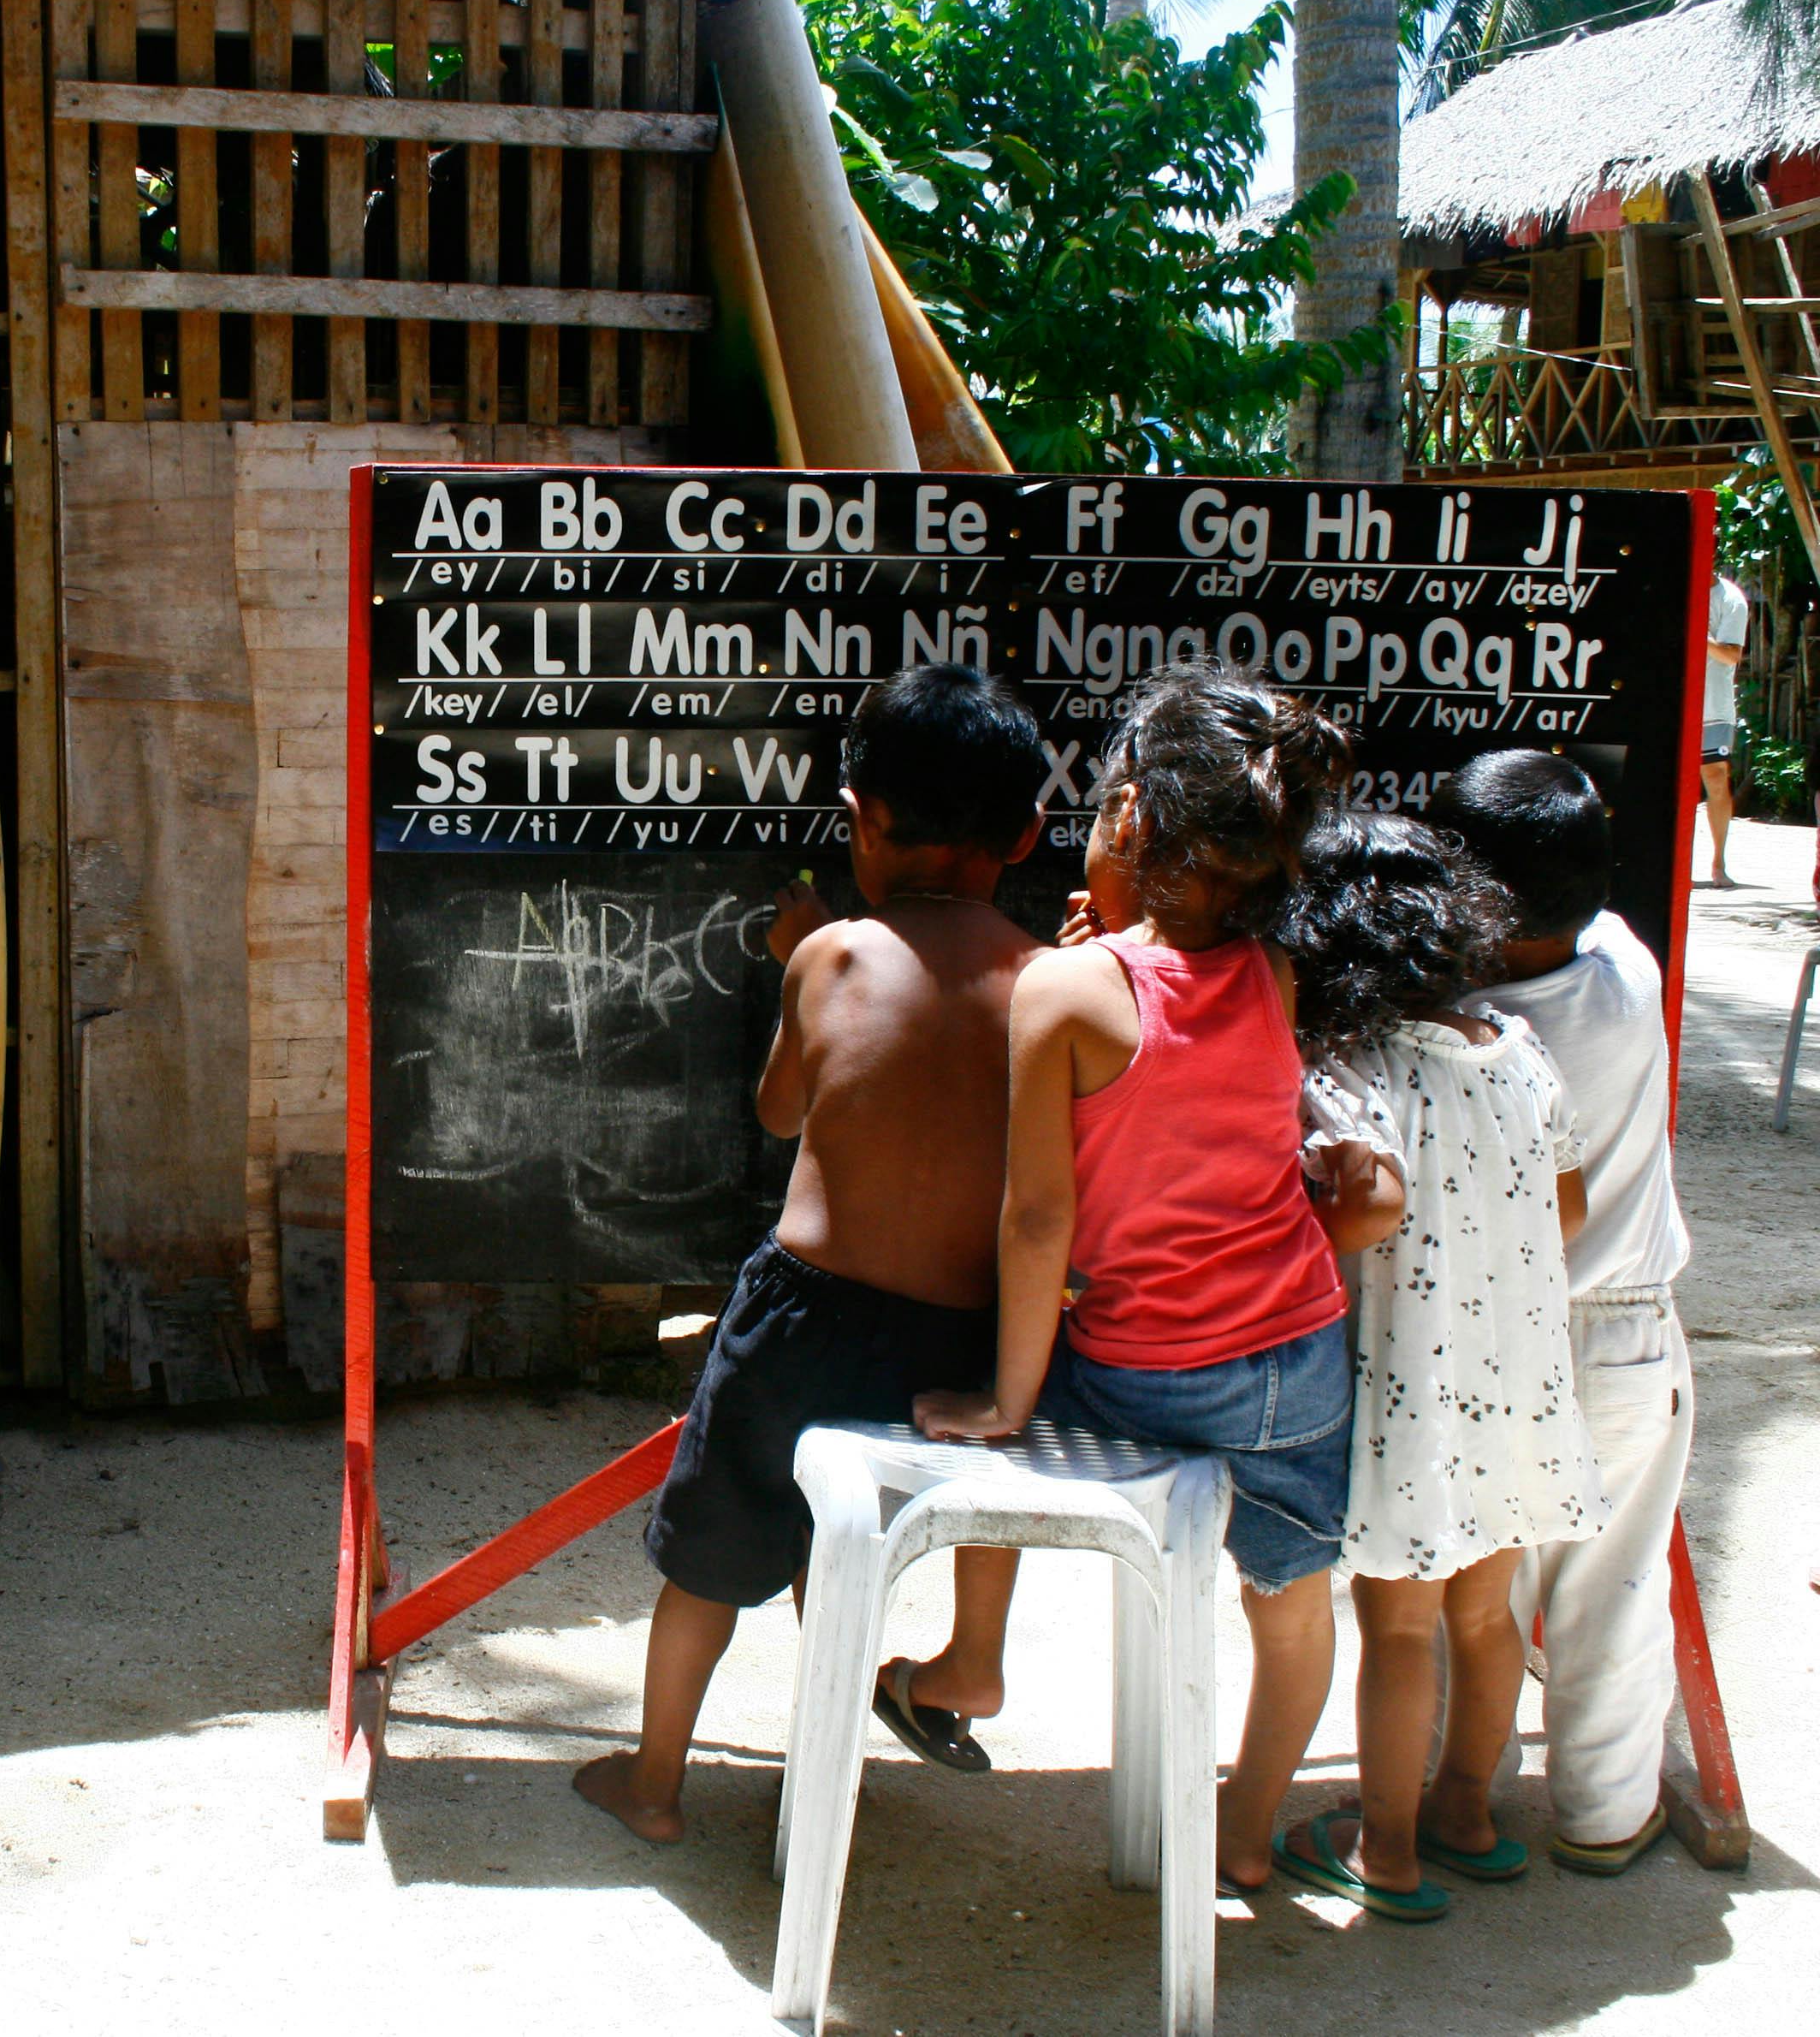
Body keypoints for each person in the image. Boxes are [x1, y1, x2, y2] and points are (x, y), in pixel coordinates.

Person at [572, 662, 1047, 1843]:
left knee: (710, 1560)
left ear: (862, 821)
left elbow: (783, 1113)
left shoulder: (832, 958)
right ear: (1030, 834)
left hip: (804, 1321)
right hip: (959, 1336)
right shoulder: (1051, 984)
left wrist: (803, 953)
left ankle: (656, 1786)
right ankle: (828, 1779)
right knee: (848, 1559)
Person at [909, 663, 1354, 1899]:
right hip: (1296, 1367)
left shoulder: (1064, 991)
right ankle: (1251, 1820)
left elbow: (1039, 1215)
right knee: (1293, 1592)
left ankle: (969, 1662)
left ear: (1133, 822)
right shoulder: (1276, 971)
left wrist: (1008, 1396)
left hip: (1141, 1372)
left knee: (1007, 1425)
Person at [1271, 812, 1598, 1921]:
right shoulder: (1521, 1049)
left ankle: (1388, 1848)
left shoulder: (1349, 1067)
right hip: (1517, 1384)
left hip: (1411, 1387)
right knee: (1485, 1616)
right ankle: (1468, 1810)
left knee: (1398, 1627)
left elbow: (1355, 1215)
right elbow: (1571, 1206)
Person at [1436, 751, 1696, 1875]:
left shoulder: (1448, 1028)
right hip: (1628, 1334)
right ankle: (1604, 1812)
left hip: (1481, 1341)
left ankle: (1458, 1788)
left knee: (1469, 1590)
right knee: (1618, 1589)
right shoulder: (1628, 972)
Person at [1701, 573, 1746, 885]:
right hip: (1673, 701)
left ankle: (1719, 863)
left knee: (1716, 779)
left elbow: (1732, 654)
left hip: (1713, 706)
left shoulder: (1731, 598)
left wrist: (1698, 636)